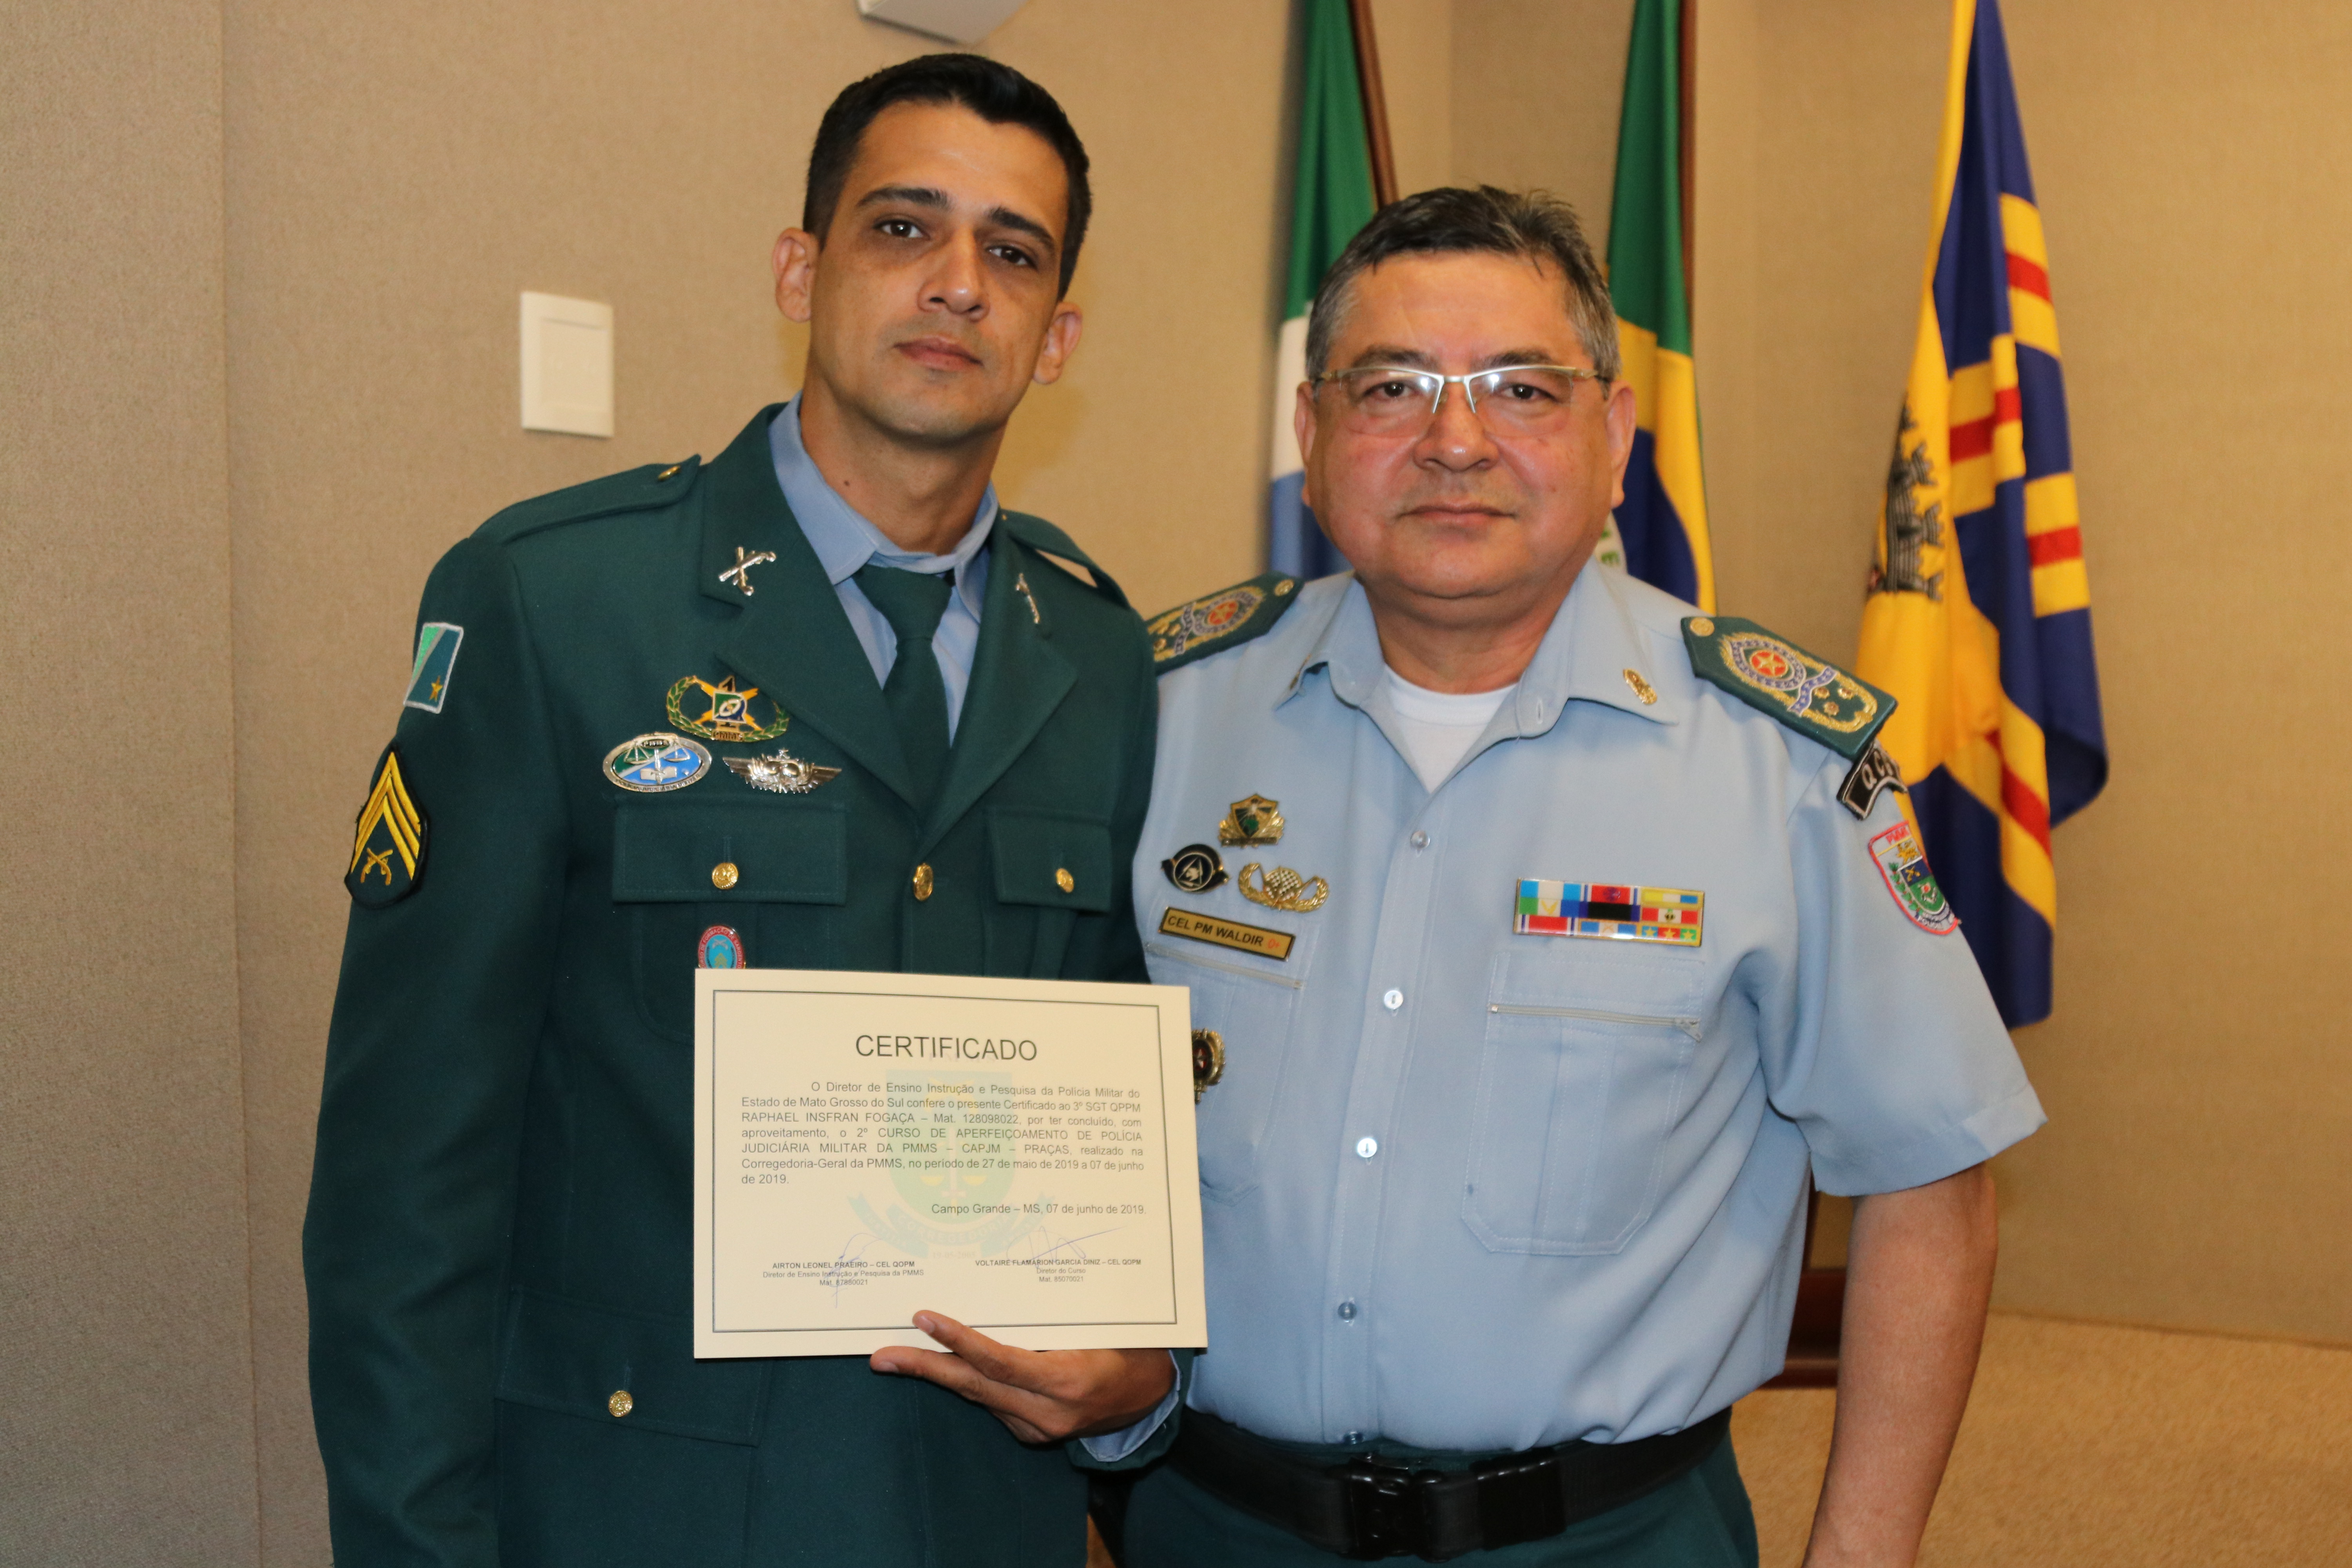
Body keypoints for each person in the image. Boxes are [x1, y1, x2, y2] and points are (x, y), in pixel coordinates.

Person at [304, 54, 1176, 1568]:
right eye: (903, 228)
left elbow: (1104, 1103)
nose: (958, 284)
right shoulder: (561, 601)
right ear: (799, 270)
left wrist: (1137, 1368)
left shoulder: (1098, 655)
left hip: (977, 1512)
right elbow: (406, 1187)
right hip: (639, 1509)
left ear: (1058, 338)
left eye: (1014, 252)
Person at [1114, 187, 2044, 1566]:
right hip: (1210, 1523)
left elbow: (1930, 1180)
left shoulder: (1779, 768)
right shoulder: (1153, 719)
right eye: (1392, 387)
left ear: (1614, 437)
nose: (1455, 441)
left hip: (1607, 1535)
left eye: (1521, 389)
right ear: (1311, 435)